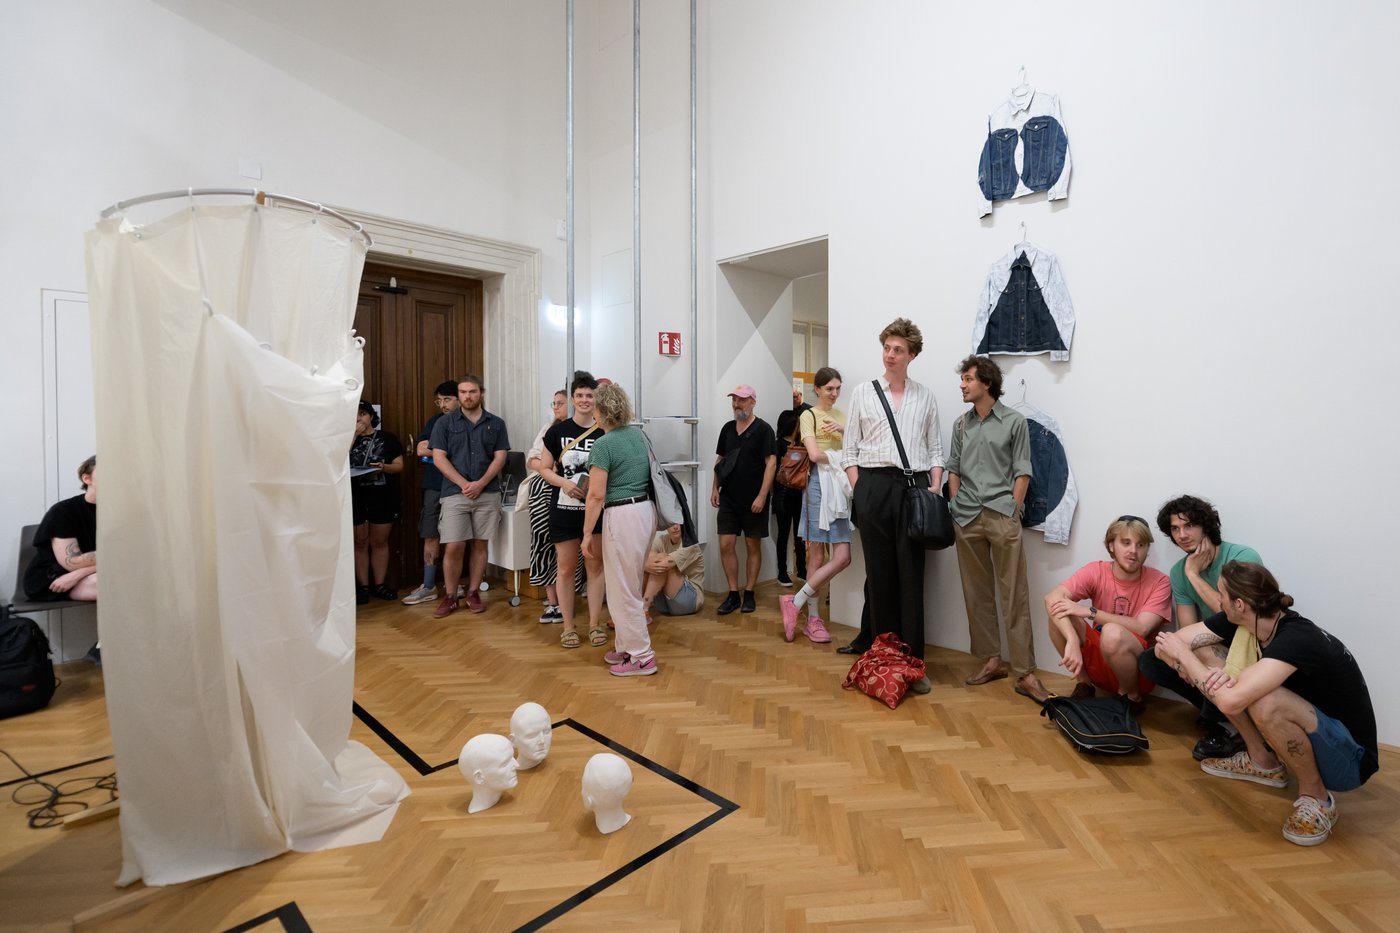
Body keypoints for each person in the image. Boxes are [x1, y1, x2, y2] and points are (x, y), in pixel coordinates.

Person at [1153, 561, 1378, 847]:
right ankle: (1262, 761)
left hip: (1351, 760)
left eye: (1221, 594)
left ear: (1239, 604)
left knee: (1266, 701)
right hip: (1317, 735)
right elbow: (1166, 645)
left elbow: (1231, 701)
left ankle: (1318, 799)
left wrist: (1186, 661)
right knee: (1206, 653)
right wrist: (1186, 660)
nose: (1216, 599)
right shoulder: (1246, 619)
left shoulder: (1297, 638)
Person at [839, 320, 943, 693]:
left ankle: (912, 664)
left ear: (912, 355)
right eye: (887, 347)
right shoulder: (863, 393)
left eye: (898, 349)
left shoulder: (925, 396)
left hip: (914, 488)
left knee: (912, 577)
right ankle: (882, 661)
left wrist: (933, 487)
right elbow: (849, 449)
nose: (890, 354)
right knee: (880, 578)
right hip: (874, 486)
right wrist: (861, 489)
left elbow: (935, 450)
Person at [947, 355, 1047, 703]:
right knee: (977, 594)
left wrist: (1013, 509)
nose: (962, 384)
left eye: (968, 379)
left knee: (1014, 594)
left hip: (1002, 515)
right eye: (962, 379)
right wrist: (956, 505)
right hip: (967, 518)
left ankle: (1025, 672)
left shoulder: (1015, 421)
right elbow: (954, 469)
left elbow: (1024, 470)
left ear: (986, 383)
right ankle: (991, 660)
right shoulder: (961, 425)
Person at [1138, 495, 1263, 759]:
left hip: (1247, 639)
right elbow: (1189, 627)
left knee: (1201, 652)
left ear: (1205, 525)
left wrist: (1194, 575)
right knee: (1151, 660)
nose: (1182, 535)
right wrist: (1183, 659)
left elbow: (1236, 615)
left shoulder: (1241, 556)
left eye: (1189, 525)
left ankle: (1220, 723)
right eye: (1175, 529)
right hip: (1208, 637)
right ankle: (1218, 716)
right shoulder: (1177, 571)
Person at [1043, 515, 1172, 708]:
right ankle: (1084, 683)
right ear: (1111, 545)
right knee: (1060, 610)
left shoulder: (1160, 582)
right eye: (1126, 543)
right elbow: (1051, 598)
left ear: (1147, 550)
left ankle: (1132, 698)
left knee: (1112, 632)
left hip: (1139, 670)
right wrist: (1071, 638)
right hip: (1099, 662)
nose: (1133, 551)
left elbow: (1142, 628)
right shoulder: (1097, 570)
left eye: (1141, 545)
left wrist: (1089, 611)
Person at [582, 383, 659, 676]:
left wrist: (587, 533)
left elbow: (596, 494)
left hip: (622, 514)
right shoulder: (638, 435)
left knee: (623, 589)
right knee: (625, 584)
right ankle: (627, 647)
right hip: (644, 511)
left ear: (600, 412)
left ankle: (642, 656)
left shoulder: (603, 444)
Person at [779, 367, 852, 645]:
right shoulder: (808, 415)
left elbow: (856, 450)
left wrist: (843, 434)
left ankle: (794, 601)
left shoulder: (843, 417)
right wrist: (839, 455)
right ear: (818, 389)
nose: (834, 394)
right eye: (829, 388)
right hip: (817, 486)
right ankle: (813, 619)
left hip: (840, 488)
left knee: (843, 556)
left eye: (837, 388)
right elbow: (813, 454)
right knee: (817, 556)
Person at [429, 374, 510, 618]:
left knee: (480, 544)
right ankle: (451, 596)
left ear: (481, 393)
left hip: (487, 493)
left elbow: (500, 457)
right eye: (463, 392)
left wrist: (482, 483)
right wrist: (465, 484)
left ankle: (474, 592)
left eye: (472, 391)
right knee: (454, 545)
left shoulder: (496, 423)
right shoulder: (444, 423)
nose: (467, 396)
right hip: (455, 492)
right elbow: (438, 457)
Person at [538, 372, 607, 649]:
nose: (584, 400)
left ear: (596, 398)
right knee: (565, 569)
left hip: (596, 510)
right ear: (572, 398)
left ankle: (594, 624)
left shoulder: (605, 431)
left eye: (589, 395)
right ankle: (568, 626)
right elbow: (543, 468)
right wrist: (564, 483)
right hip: (564, 509)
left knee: (595, 566)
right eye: (579, 395)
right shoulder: (557, 431)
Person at [711, 385, 777, 615]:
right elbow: (720, 460)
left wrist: (762, 495)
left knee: (752, 545)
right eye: (734, 400)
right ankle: (732, 595)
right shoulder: (728, 429)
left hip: (754, 500)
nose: (737, 404)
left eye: (742, 400)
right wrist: (714, 488)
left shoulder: (764, 430)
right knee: (725, 544)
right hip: (729, 497)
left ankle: (749, 592)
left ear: (753, 402)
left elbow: (771, 463)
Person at [402, 383, 460, 606]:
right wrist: (449, 450)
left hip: (460, 487)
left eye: (447, 399)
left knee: (458, 537)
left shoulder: (470, 421)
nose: (443, 405)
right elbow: (420, 448)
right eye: (440, 401)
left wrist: (440, 450)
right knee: (430, 533)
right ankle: (428, 585)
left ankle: (454, 585)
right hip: (435, 485)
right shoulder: (435, 421)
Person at [349, 401, 405, 604]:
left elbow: (399, 466)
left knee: (379, 541)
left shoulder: (387, 438)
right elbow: (336, 461)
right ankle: (362, 587)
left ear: (371, 416)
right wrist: (353, 435)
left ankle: (379, 585)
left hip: (382, 496)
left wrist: (383, 468)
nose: (358, 418)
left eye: (362, 413)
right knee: (360, 542)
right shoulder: (346, 440)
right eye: (354, 414)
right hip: (356, 496)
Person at [25, 455, 99, 604]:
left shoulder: (123, 512)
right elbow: (72, 562)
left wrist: (80, 573)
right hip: (54, 578)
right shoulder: (64, 511)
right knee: (116, 582)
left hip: (81, 574)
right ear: (87, 479)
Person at [524, 389, 571, 622]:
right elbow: (531, 459)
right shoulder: (548, 428)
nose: (555, 407)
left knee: (567, 547)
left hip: (569, 493)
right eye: (553, 403)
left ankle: (566, 603)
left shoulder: (585, 429)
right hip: (543, 489)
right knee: (543, 542)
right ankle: (552, 602)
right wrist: (546, 468)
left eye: (560, 403)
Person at [772, 387, 811, 587]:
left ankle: (802, 570)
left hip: (798, 494)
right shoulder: (778, 445)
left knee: (800, 534)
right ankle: (782, 572)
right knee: (784, 533)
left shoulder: (801, 445)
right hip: (782, 495)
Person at [643, 523, 705, 619]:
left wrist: (645, 565)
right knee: (650, 560)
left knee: (661, 561)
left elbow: (662, 564)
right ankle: (633, 608)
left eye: (679, 523)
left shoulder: (691, 544)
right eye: (671, 523)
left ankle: (643, 610)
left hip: (689, 601)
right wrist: (645, 565)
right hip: (664, 603)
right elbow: (644, 559)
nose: (675, 527)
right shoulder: (661, 540)